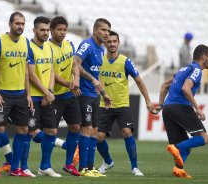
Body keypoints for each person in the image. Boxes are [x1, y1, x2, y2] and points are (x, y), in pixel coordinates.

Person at [96, 31, 154, 176]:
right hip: (105, 105)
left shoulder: (125, 61)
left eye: (115, 41)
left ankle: (134, 167)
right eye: (109, 41)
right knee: (98, 137)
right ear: (105, 43)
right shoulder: (99, 60)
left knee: (127, 132)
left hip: (122, 104)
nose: (112, 44)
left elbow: (139, 81)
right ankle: (108, 161)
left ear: (119, 43)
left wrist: (148, 101)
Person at [154, 45, 208, 178]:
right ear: (204, 57)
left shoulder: (183, 69)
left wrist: (161, 105)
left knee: (187, 145)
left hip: (168, 109)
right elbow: (186, 88)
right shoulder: (196, 70)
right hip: (180, 106)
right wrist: (197, 109)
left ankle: (178, 169)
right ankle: (177, 147)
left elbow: (164, 86)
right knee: (203, 138)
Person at [0, 12, 33, 177]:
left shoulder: (26, 42)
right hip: (3, 94)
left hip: (21, 94)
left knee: (23, 129)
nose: (20, 27)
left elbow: (27, 72)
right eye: (17, 24)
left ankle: (15, 168)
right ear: (10, 24)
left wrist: (28, 94)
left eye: (22, 24)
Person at [73, 18, 111, 177]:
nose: (106, 34)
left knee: (95, 130)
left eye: (108, 31)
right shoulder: (87, 45)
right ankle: (82, 168)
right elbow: (75, 61)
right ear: (95, 30)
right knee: (87, 129)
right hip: (84, 93)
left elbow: (96, 74)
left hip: (94, 95)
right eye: (103, 30)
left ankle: (90, 166)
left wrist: (104, 93)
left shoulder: (102, 49)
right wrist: (90, 79)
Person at [47, 16, 81, 176]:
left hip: (69, 95)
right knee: (48, 132)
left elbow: (75, 64)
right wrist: (70, 84)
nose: (62, 33)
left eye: (64, 30)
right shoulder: (47, 47)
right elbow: (52, 74)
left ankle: (69, 164)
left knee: (75, 127)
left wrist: (77, 80)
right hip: (54, 96)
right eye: (59, 30)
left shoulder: (69, 44)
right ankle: (45, 165)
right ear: (52, 30)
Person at [27, 16, 61, 177]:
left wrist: (51, 91)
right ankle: (22, 167)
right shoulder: (29, 47)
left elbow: (52, 70)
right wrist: (46, 92)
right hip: (33, 97)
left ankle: (44, 166)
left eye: (47, 30)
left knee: (52, 130)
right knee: (28, 131)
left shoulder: (49, 47)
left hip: (47, 97)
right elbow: (31, 75)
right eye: (42, 30)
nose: (46, 33)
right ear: (34, 30)